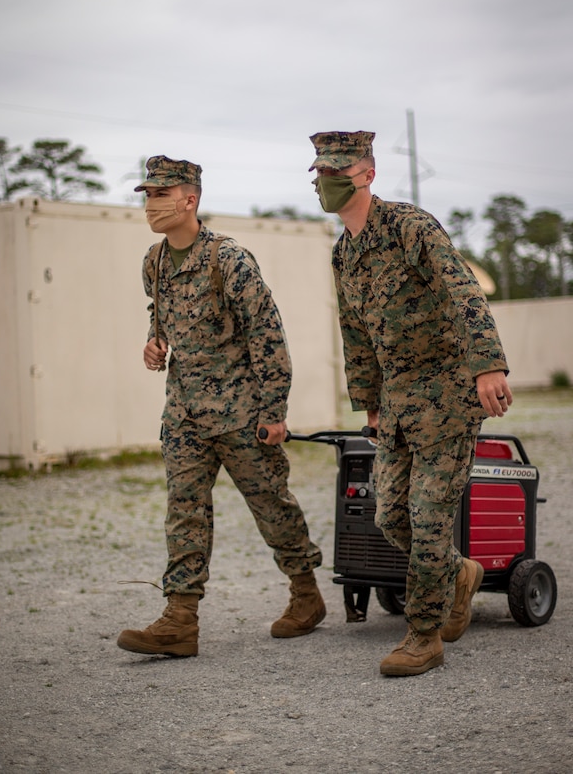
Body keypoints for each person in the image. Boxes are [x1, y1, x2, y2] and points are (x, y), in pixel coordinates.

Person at [308, 130, 512, 677]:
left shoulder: (409, 227)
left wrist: (487, 364)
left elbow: (460, 289)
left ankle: (424, 635)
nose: (326, 181)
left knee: (426, 516)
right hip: (398, 399)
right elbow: (354, 331)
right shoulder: (343, 254)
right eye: (320, 172)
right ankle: (461, 574)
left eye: (338, 171)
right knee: (389, 512)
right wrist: (369, 401)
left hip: (446, 391)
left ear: (367, 174)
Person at [117, 155, 325, 657]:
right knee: (184, 513)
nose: (151, 204)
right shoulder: (155, 261)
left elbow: (267, 334)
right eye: (146, 194)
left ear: (189, 199)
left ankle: (306, 594)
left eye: (160, 194)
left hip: (241, 413)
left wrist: (274, 412)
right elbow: (161, 314)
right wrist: (154, 342)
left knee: (271, 506)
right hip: (185, 414)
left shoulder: (229, 260)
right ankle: (179, 619)